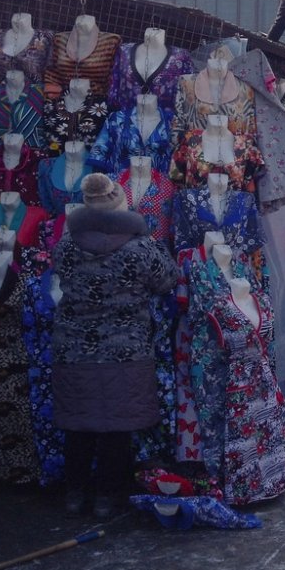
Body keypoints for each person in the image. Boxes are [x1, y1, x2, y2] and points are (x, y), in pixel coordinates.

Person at [51, 173, 177, 519]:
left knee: (78, 424)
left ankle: (75, 494)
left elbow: (58, 270)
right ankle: (108, 497)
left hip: (74, 350)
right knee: (115, 428)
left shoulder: (67, 244)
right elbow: (168, 278)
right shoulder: (139, 248)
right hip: (125, 351)